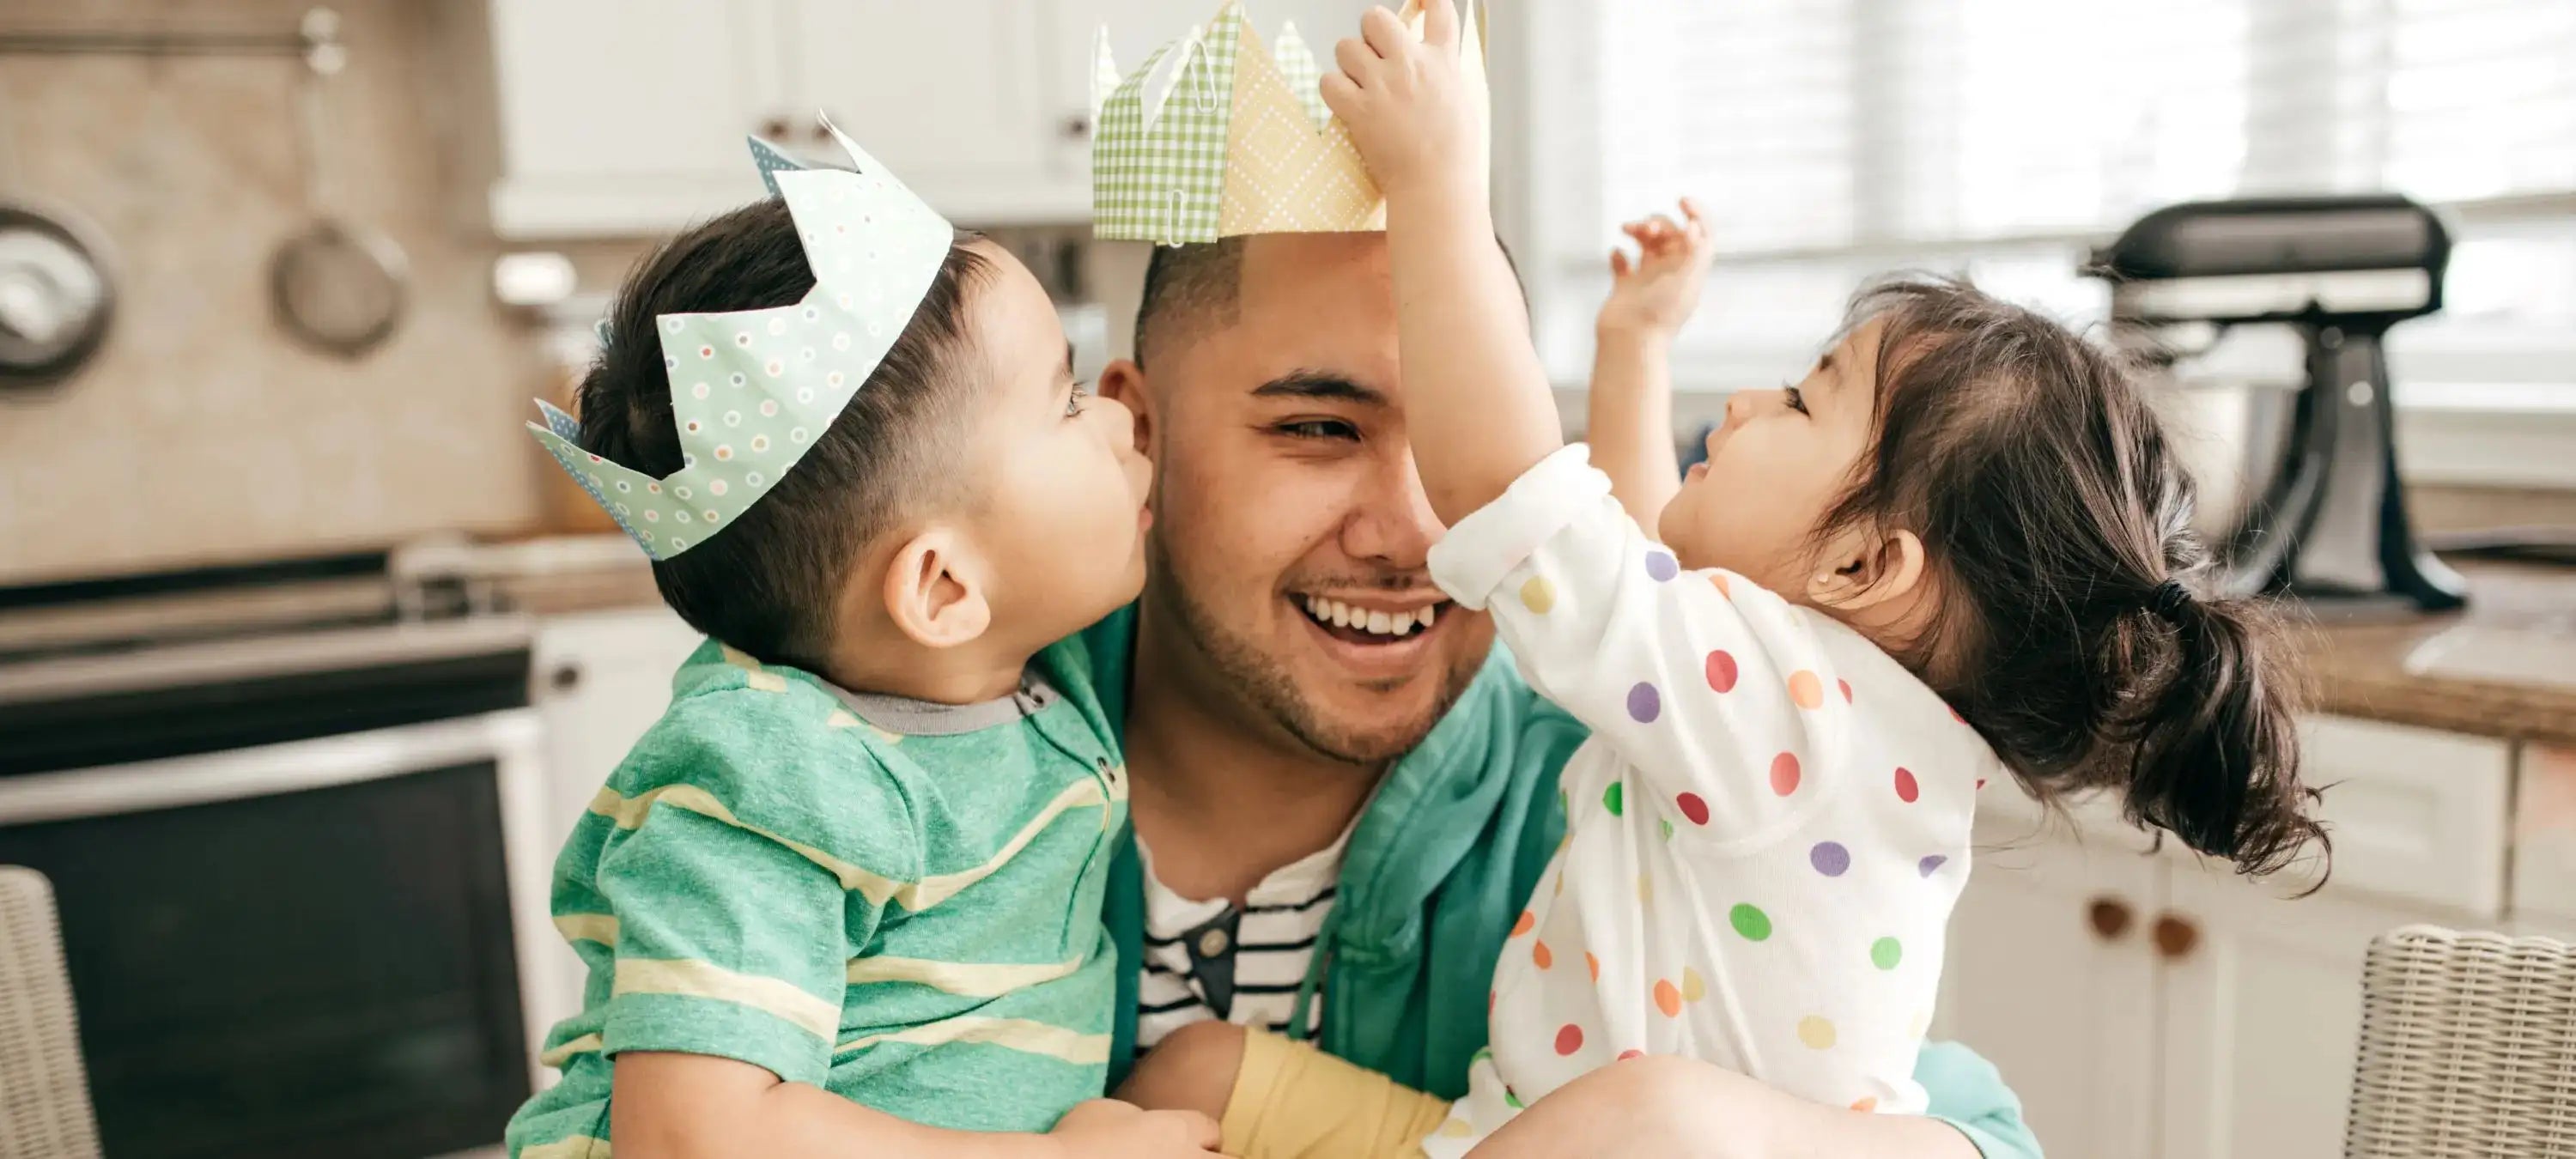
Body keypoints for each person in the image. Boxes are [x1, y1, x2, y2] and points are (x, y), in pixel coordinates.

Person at [1121, 5, 2325, 1156]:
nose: (1419, 523)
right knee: (1191, 1074)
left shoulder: (1793, 723)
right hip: (1485, 1128)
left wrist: (1441, 178)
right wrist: (1633, 347)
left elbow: (1514, 490)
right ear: (1141, 437)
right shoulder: (1789, 716)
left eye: (1800, 400)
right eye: (1320, 429)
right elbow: (1635, 555)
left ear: (1865, 564)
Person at [503, 128, 1218, 1158]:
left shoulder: (1022, 676)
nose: (1118, 418)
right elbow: (693, 1136)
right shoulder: (772, 778)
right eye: (1066, 401)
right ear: (943, 587)